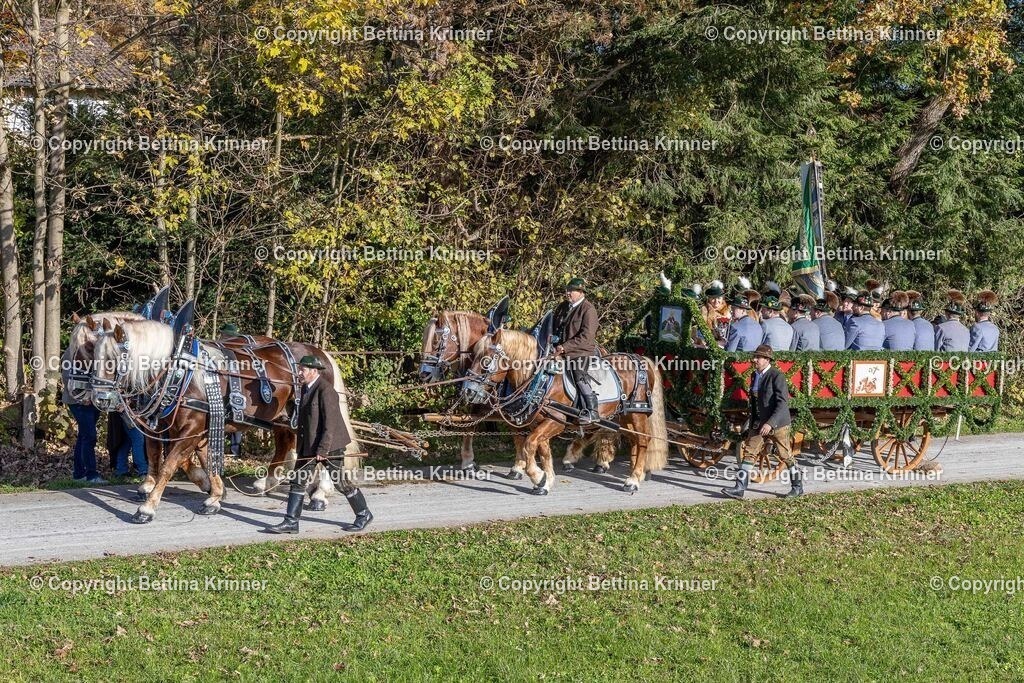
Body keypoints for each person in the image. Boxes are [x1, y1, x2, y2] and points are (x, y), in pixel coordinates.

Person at [266, 355, 371, 534]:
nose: (299, 372)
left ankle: (363, 514)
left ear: (314, 371)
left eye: (303, 370)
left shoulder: (326, 390)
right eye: (299, 369)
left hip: (328, 446)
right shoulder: (306, 389)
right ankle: (291, 522)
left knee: (340, 482)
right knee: (298, 482)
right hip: (308, 446)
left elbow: (330, 424)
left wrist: (323, 450)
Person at [721, 345, 801, 499]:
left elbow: (782, 403)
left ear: (767, 359)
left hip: (778, 424)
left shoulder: (776, 376)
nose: (754, 360)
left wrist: (770, 423)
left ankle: (797, 487)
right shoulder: (754, 375)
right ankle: (739, 488)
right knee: (749, 453)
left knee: (785, 456)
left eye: (758, 357)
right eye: (755, 357)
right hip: (758, 422)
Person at [553, 277, 600, 424]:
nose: (568, 293)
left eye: (571, 290)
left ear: (581, 292)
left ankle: (592, 411)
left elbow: (586, 336)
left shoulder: (588, 309)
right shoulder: (562, 307)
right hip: (558, 350)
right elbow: (553, 327)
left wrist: (565, 347)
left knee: (579, 375)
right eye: (567, 290)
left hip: (580, 352)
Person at [61, 345, 108, 484]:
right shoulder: (71, 351)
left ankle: (79, 473)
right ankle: (91, 474)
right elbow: (66, 377)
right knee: (89, 435)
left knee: (84, 435)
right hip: (78, 401)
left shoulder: (95, 349)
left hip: (93, 400)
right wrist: (81, 397)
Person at [700, 280, 730, 345]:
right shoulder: (704, 311)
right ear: (708, 299)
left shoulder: (728, 311)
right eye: (713, 298)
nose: (716, 301)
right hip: (707, 344)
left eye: (719, 298)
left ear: (722, 299)